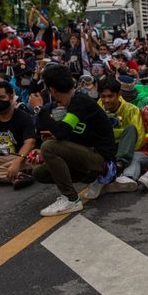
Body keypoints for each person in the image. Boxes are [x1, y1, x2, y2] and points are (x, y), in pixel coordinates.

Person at [33, 64, 117, 216]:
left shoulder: (80, 102)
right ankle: (93, 181)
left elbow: (61, 132)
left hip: (101, 160)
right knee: (39, 173)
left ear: (51, 90)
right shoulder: (65, 103)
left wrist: (38, 109)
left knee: (49, 147)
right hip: (85, 157)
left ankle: (71, 199)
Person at [87, 75, 146, 196]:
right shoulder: (97, 107)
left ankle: (117, 168)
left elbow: (139, 139)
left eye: (110, 96)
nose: (106, 100)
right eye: (103, 96)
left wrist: (116, 133)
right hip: (104, 148)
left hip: (124, 148)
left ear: (118, 95)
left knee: (130, 129)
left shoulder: (132, 110)